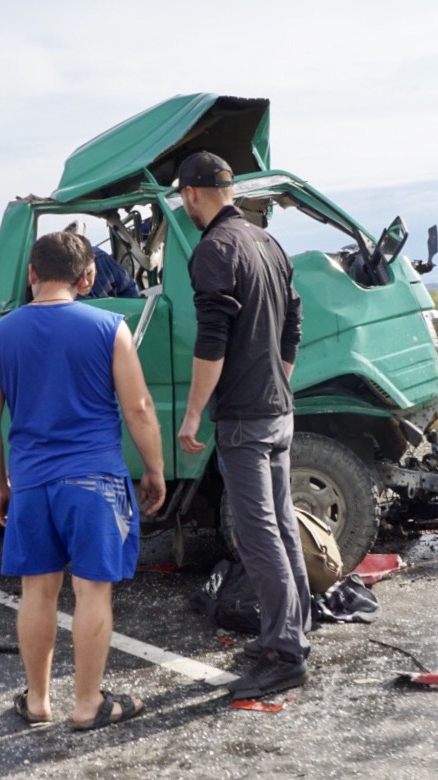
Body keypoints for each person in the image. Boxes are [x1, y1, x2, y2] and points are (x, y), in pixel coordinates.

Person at [0, 231, 166, 731]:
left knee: (37, 591)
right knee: (92, 592)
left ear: (32, 275)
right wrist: (155, 470)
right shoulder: (109, 327)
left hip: (33, 483)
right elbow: (140, 408)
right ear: (88, 278)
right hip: (95, 481)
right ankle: (87, 704)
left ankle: (37, 701)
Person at [174, 150, 310, 701]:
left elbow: (213, 341)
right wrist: (278, 376)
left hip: (245, 420)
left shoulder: (214, 250)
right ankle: (296, 631)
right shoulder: (266, 242)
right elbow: (294, 319)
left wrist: (191, 413)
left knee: (260, 538)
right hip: (278, 410)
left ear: (190, 194)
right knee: (280, 525)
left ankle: (285, 654)